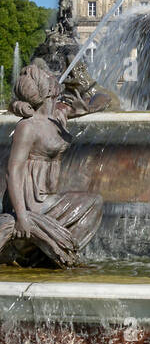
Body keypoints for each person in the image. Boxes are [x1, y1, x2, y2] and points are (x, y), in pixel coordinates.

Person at [0, 62, 103, 267]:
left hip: (48, 195)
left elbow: (102, 100)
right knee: (94, 202)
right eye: (49, 77)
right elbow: (13, 171)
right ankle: (51, 249)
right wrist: (21, 216)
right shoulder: (27, 126)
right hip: (31, 200)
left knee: (94, 202)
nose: (55, 77)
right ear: (47, 90)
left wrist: (88, 88)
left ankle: (51, 252)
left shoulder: (57, 115)